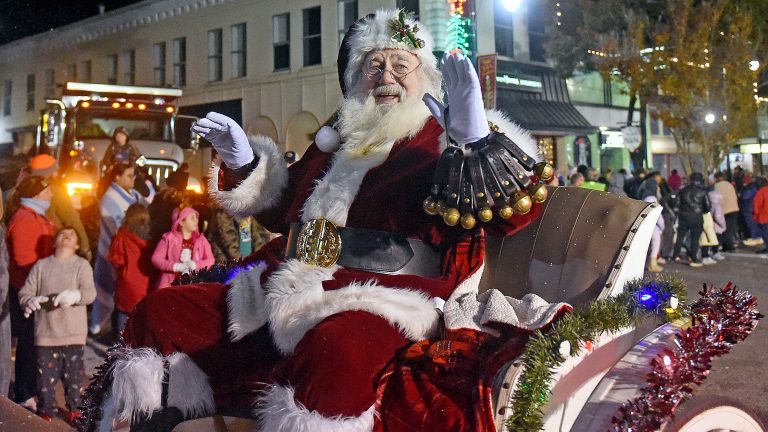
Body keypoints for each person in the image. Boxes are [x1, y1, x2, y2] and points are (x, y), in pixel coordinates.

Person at [81, 10, 560, 432]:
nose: (385, 76)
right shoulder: (341, 137)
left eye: (400, 64)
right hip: (288, 282)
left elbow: (520, 210)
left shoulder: (448, 133)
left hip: (387, 294)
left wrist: (476, 143)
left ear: (427, 76)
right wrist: (246, 162)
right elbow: (281, 210)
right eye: (373, 65)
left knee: (338, 352)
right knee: (163, 312)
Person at [18, 227, 96, 424]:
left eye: (72, 233)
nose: (67, 234)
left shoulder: (82, 265)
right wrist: (29, 301)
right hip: (46, 333)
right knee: (45, 379)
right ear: (54, 242)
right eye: (62, 233)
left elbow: (89, 293)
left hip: (73, 333)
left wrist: (76, 295)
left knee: (74, 378)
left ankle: (76, 410)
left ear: (77, 244)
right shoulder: (41, 266)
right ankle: (46, 409)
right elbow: (25, 292)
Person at [6, 176, 55, 411]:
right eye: (48, 191)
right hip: (27, 289)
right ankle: (24, 391)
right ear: (37, 194)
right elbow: (24, 258)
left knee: (34, 341)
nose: (51, 195)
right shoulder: (25, 218)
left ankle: (31, 388)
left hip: (37, 288)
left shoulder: (35, 215)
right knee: (28, 342)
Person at [90, 163, 143, 336]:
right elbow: (114, 227)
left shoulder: (135, 195)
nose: (133, 179)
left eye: (134, 175)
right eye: (129, 175)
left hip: (133, 251)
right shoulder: (109, 198)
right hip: (115, 252)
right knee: (115, 292)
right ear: (117, 177)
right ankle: (112, 331)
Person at [27, 154, 92, 260]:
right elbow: (71, 219)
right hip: (54, 244)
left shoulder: (24, 189)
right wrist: (85, 247)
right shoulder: (56, 191)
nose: (57, 173)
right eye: (54, 170)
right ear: (48, 173)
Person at [108, 203, 156, 332]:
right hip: (146, 283)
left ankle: (121, 347)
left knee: (123, 318)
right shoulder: (151, 236)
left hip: (126, 284)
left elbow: (116, 261)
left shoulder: (122, 236)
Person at [151, 206, 214, 289]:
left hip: (193, 286)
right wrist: (175, 266)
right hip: (169, 286)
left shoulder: (201, 240)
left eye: (196, 217)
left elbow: (211, 260)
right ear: (181, 222)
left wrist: (196, 265)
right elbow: (156, 259)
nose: (196, 220)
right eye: (192, 218)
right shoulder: (168, 238)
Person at [672, 172, 711, 267]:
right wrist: (703, 211)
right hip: (697, 216)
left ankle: (675, 255)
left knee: (680, 236)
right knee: (695, 238)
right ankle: (694, 257)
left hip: (684, 215)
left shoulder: (683, 190)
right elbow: (708, 206)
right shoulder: (703, 191)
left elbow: (676, 205)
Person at [713, 172, 739, 252]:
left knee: (724, 230)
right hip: (734, 208)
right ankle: (726, 246)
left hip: (724, 210)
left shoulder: (716, 186)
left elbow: (715, 199)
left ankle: (730, 247)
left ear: (716, 178)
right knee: (730, 229)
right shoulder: (729, 184)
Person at [753, 176, 768, 254]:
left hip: (764, 217)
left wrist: (756, 216)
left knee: (765, 233)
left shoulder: (760, 192)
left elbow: (757, 205)